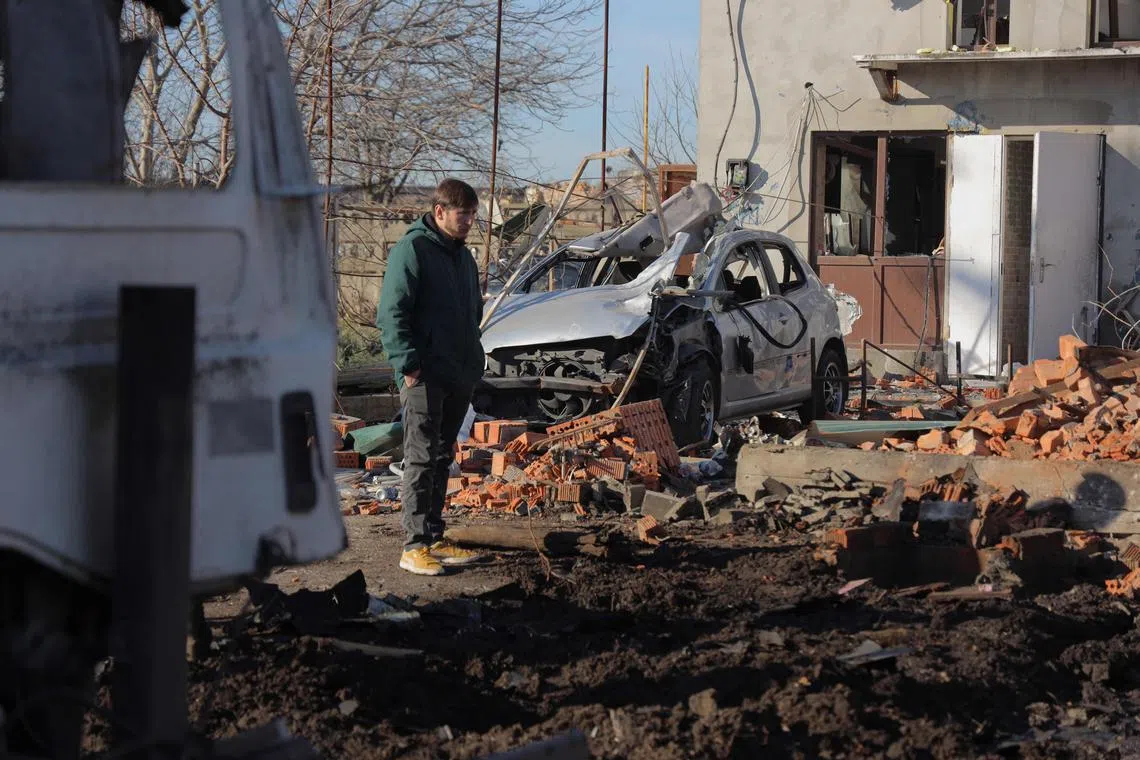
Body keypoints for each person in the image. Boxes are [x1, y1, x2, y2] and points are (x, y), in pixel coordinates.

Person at [377, 178, 488, 576]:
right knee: (421, 456)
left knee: (442, 456)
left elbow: (471, 312)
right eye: (463, 214)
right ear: (440, 211)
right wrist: (408, 365)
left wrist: (472, 360)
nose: (469, 221)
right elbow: (392, 312)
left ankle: (435, 536)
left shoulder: (463, 257)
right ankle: (414, 546)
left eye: (474, 214)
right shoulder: (413, 249)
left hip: (458, 372)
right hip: (424, 375)